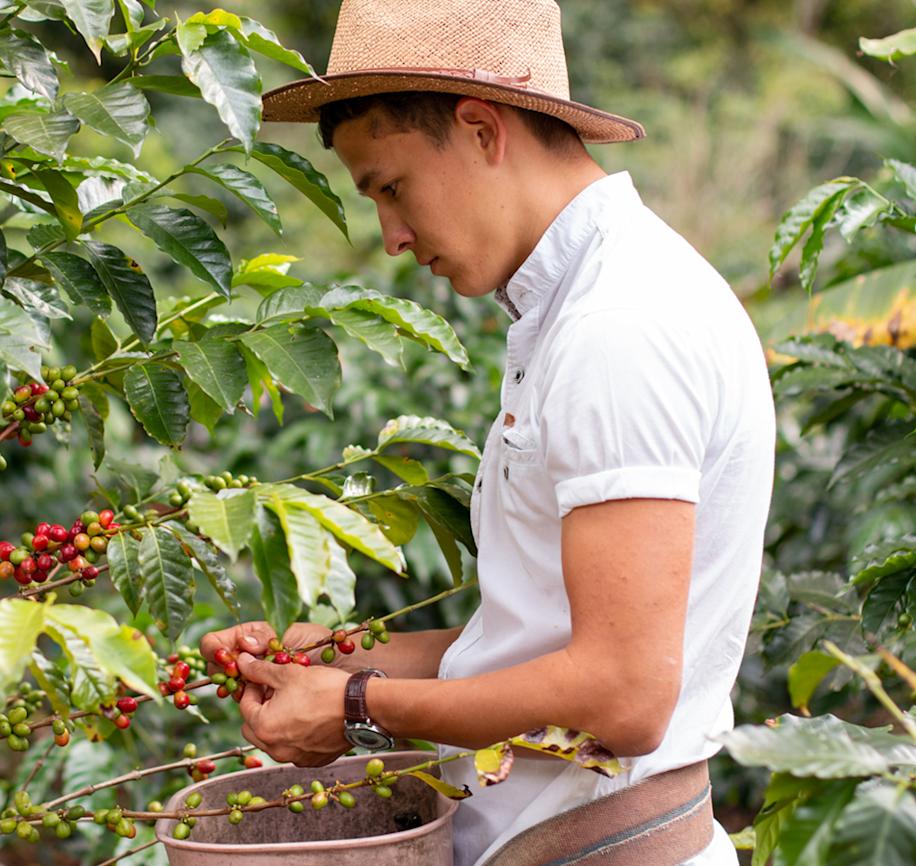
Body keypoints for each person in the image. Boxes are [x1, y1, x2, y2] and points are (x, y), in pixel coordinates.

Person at [199, 1, 775, 864]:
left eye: (391, 188)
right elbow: (534, 645)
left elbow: (621, 696)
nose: (391, 236)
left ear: (479, 128)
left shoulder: (619, 324)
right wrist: (336, 660)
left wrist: (356, 703)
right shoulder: (576, 305)